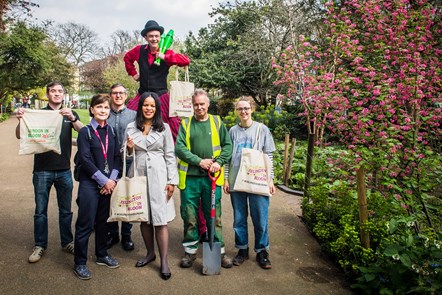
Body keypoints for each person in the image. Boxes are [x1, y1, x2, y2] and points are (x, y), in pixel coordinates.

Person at [15, 81, 83, 263]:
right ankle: (40, 245)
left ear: (64, 94)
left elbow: (84, 133)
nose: (57, 93)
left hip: (64, 170)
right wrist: (21, 119)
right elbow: (20, 135)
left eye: (60, 91)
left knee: (66, 211)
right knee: (40, 211)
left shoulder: (69, 114)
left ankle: (67, 242)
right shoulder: (38, 114)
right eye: (53, 91)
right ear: (48, 94)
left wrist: (74, 119)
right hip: (42, 170)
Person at [175, 89, 233, 269]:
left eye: (202, 104)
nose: (199, 107)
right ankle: (190, 252)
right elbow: (180, 149)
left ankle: (219, 251)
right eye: (196, 104)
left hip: (212, 179)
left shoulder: (216, 122)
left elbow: (227, 145)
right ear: (192, 106)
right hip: (191, 179)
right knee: (190, 215)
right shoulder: (185, 124)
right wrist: (199, 161)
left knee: (214, 217)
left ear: (208, 104)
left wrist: (219, 162)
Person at [125, 92, 177, 280]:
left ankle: (163, 260)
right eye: (145, 105)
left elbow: (170, 156)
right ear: (140, 107)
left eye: (152, 106)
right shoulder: (131, 127)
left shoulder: (164, 128)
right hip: (138, 174)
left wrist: (172, 181)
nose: (148, 108)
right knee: (144, 218)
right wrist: (129, 148)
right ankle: (149, 253)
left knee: (160, 219)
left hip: (159, 176)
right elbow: (127, 155)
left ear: (157, 109)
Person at [223, 96, 276, 269]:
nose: (243, 111)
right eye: (240, 109)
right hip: (237, 181)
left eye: (246, 108)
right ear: (236, 111)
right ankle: (242, 250)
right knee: (239, 218)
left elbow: (269, 156)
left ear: (252, 109)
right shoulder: (232, 131)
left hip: (258, 181)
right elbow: (227, 158)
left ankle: (262, 252)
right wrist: (226, 178)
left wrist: (270, 180)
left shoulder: (262, 129)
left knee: (260, 218)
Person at [73, 94, 122, 280]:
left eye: (106, 108)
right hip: (90, 184)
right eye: (99, 107)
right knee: (85, 223)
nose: (103, 110)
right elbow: (85, 159)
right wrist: (104, 181)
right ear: (92, 109)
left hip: (108, 184)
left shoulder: (112, 131)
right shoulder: (85, 132)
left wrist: (112, 181)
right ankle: (80, 262)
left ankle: (102, 255)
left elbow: (117, 158)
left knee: (103, 222)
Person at [123, 19, 190, 141]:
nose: (154, 39)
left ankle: (178, 154)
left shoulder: (166, 51)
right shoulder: (139, 50)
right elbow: (127, 58)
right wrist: (133, 73)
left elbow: (185, 61)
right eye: (151, 36)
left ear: (160, 37)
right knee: (128, 115)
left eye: (156, 36)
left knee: (173, 124)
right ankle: (128, 147)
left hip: (161, 94)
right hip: (143, 93)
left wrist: (164, 57)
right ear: (145, 37)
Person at [106, 83, 137, 251]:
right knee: (111, 198)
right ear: (110, 95)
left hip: (128, 162)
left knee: (127, 198)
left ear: (126, 96)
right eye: (114, 93)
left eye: (121, 93)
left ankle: (127, 235)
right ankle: (113, 233)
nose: (118, 96)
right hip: (109, 163)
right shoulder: (105, 113)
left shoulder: (133, 115)